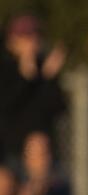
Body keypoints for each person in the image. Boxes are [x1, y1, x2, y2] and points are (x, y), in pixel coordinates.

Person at [0, 14, 65, 164]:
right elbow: (6, 106)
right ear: (12, 41)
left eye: (35, 37)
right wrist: (25, 78)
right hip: (11, 153)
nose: (32, 42)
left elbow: (58, 108)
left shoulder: (45, 68)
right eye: (26, 37)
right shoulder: (6, 67)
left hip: (43, 154)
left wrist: (49, 78)